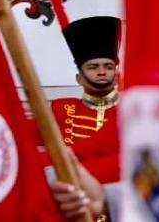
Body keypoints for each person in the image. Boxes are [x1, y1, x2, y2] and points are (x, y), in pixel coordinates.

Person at [51, 15, 122, 184]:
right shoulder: (61, 109)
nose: (102, 72)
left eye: (109, 67)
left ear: (117, 76)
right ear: (79, 78)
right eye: (93, 67)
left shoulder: (129, 111)